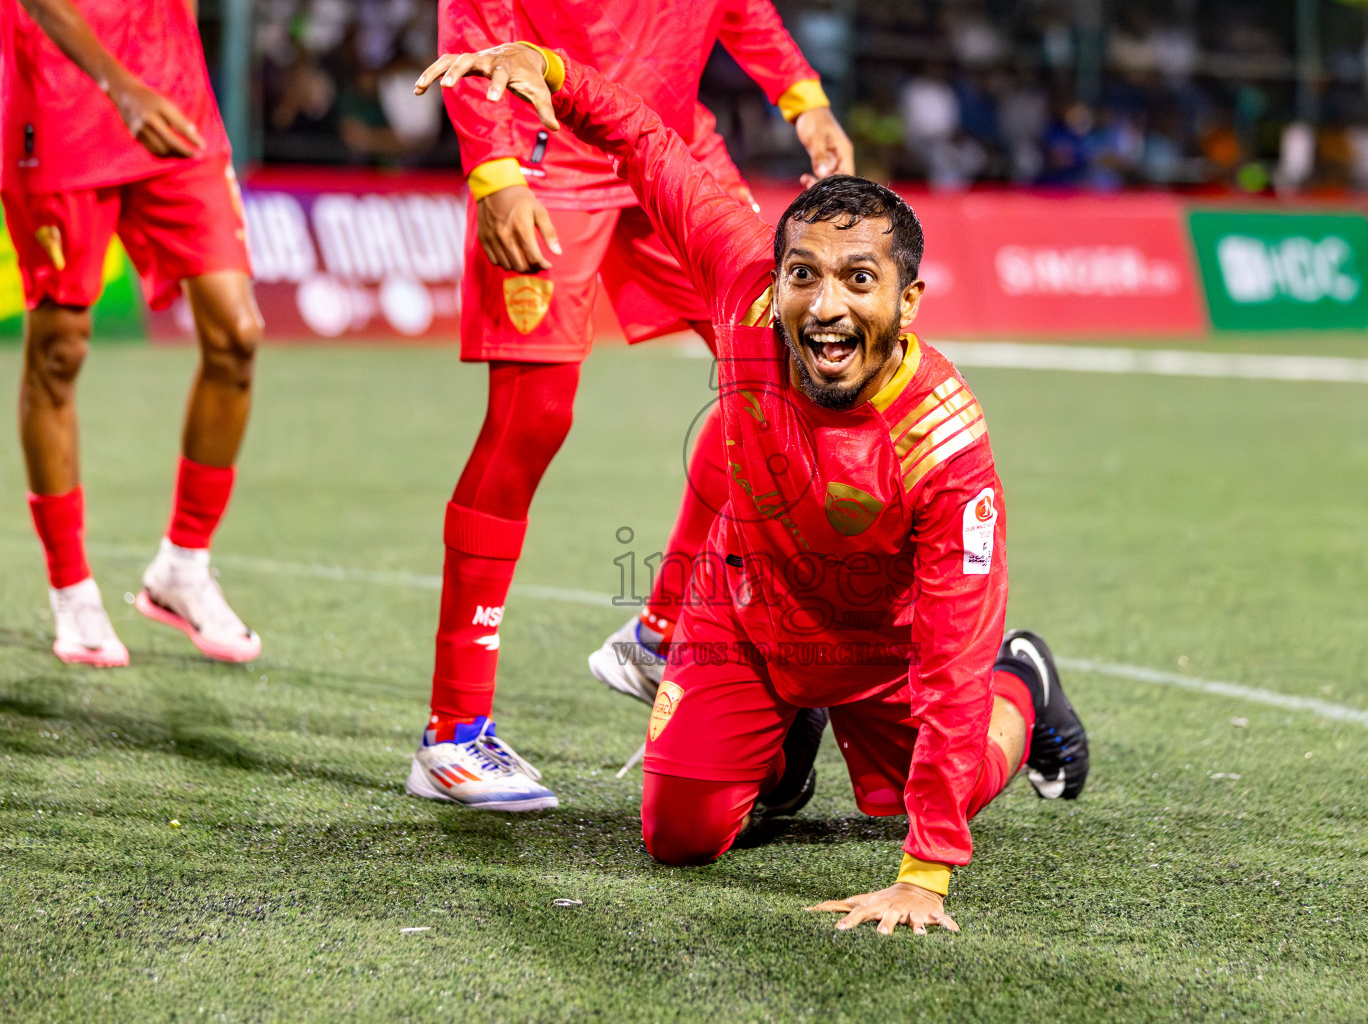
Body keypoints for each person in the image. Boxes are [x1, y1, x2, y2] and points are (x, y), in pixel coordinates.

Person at [417, 43, 1090, 933]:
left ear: (910, 300)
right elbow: (653, 148)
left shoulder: (945, 445)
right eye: (803, 274)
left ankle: (1029, 686)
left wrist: (925, 873)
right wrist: (555, 71)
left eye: (861, 281)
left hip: (881, 654)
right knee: (679, 836)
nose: (825, 305)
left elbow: (951, 658)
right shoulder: (745, 292)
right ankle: (782, 745)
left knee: (936, 790)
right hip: (743, 613)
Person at [410, 0, 854, 813]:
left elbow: (739, 7)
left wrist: (805, 97)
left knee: (775, 369)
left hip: (670, 149)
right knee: (532, 420)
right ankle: (453, 733)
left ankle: (659, 631)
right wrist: (494, 171)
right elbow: (476, 18)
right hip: (545, 156)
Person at [2, 0, 263, 666]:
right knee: (59, 350)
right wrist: (121, 85)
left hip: (173, 102)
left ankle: (182, 566)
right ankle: (71, 587)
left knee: (236, 335)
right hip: (64, 103)